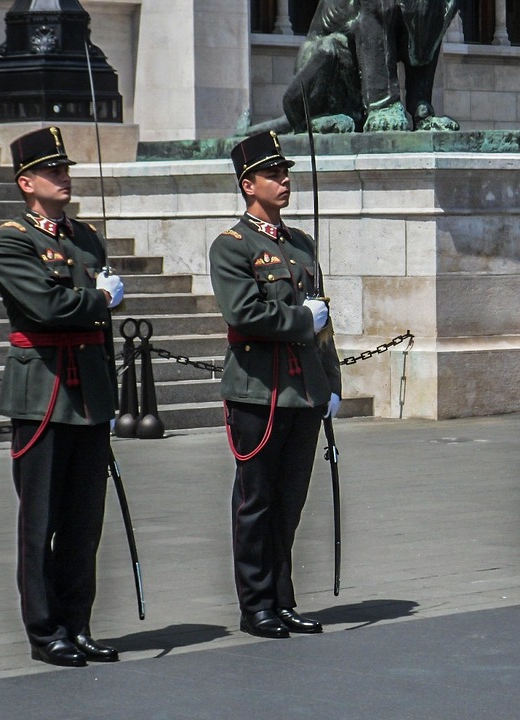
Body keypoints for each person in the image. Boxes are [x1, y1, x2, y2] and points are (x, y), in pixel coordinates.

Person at [0, 127, 125, 667]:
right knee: (40, 518)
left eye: (65, 168)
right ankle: (46, 632)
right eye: (52, 170)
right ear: (27, 182)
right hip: (43, 392)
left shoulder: (87, 238)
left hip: (88, 394)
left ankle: (78, 622)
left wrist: (110, 398)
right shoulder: (12, 239)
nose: (64, 176)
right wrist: (98, 298)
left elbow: (102, 329)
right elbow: (46, 308)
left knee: (83, 521)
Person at [210, 131, 342, 639]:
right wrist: (299, 320)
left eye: (285, 172)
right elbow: (243, 312)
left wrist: (330, 382)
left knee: (290, 501)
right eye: (273, 174)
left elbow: (323, 322)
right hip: (258, 391)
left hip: (303, 390)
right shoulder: (232, 247)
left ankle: (283, 599)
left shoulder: (301, 245)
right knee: (256, 502)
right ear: (249, 184)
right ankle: (256, 605)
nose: (284, 181)